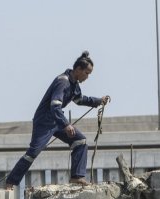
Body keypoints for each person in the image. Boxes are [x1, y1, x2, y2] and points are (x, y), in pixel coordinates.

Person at [6, 51, 110, 188]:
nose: (88, 77)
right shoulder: (63, 82)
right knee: (33, 153)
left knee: (80, 141)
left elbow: (79, 100)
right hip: (44, 121)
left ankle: (76, 177)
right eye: (87, 73)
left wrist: (98, 101)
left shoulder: (74, 84)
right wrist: (66, 125)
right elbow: (55, 106)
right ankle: (11, 182)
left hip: (57, 121)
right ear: (78, 69)